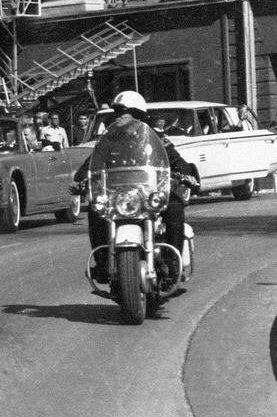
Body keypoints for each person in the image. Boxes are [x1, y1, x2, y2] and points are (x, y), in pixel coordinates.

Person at [72, 91, 198, 285]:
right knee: (96, 211)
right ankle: (103, 262)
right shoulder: (109, 141)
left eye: (123, 111)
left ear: (137, 114)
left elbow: (175, 160)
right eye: (116, 111)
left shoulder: (155, 138)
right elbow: (92, 163)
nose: (118, 115)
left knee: (174, 205)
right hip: (120, 196)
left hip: (148, 195)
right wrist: (81, 179)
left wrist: (185, 174)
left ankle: (172, 263)